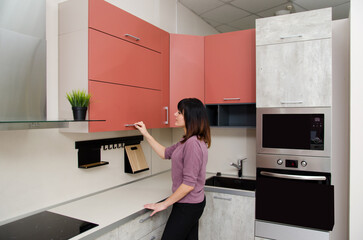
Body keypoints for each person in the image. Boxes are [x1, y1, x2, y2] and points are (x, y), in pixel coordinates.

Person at [134, 98, 211, 240]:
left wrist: (163, 204)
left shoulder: (192, 144)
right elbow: (165, 153)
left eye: (179, 112)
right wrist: (145, 133)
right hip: (191, 204)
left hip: (188, 206)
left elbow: (188, 185)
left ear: (190, 117)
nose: (175, 115)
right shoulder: (187, 141)